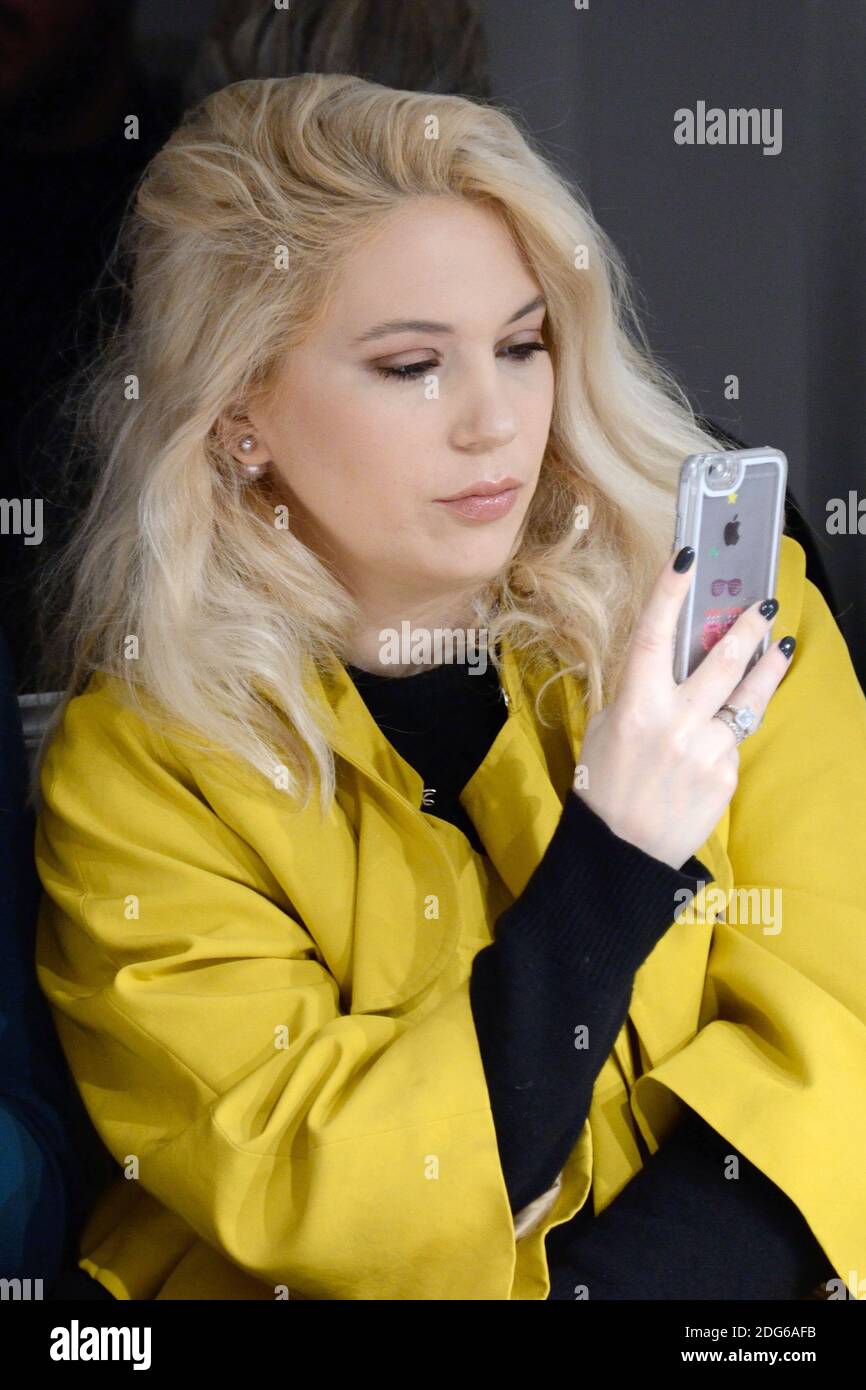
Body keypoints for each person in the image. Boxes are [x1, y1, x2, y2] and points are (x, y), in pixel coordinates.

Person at [31, 74, 864, 1300]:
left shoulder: (726, 615)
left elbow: (836, 1017)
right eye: (412, 364)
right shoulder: (138, 767)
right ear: (239, 411)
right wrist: (617, 854)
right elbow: (323, 1187)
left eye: (522, 345)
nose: (496, 421)